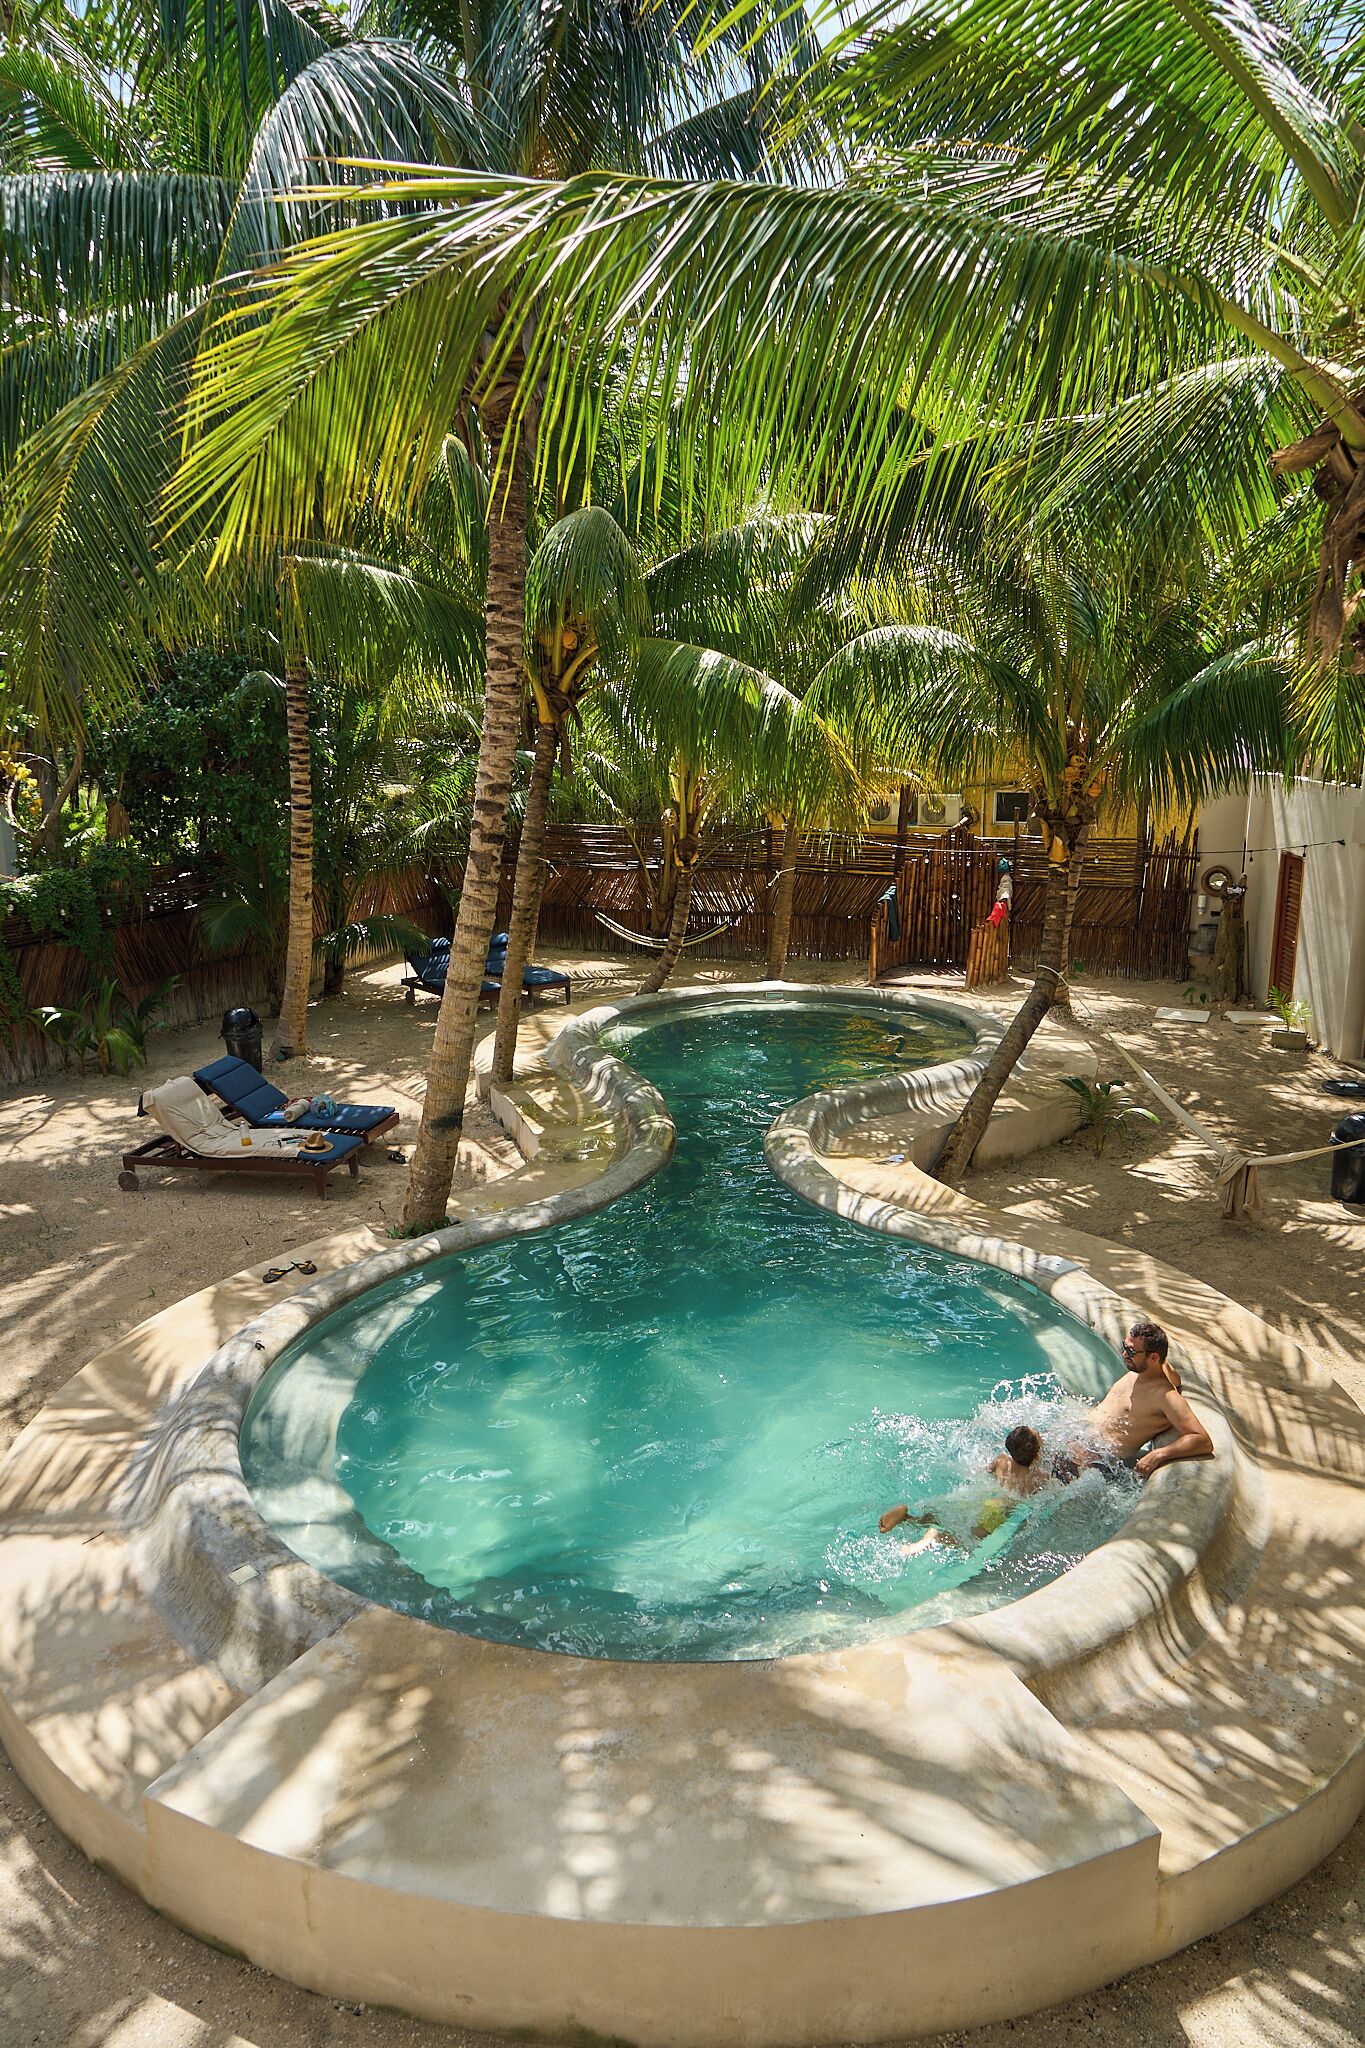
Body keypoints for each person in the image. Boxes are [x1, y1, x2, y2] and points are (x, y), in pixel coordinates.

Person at [1063, 1319, 1213, 1478]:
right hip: (1076, 1436)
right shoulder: (1139, 1372)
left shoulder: (1164, 1395)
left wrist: (1159, 1454)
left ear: (1153, 1358)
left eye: (1131, 1351)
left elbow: (1203, 1440)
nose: (1124, 1354)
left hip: (1096, 1460)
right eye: (1125, 1347)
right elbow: (1174, 1375)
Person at [879, 1424, 1047, 1548]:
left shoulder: (1002, 1459)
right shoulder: (1037, 1477)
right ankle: (931, 1539)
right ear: (1037, 1454)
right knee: (967, 1542)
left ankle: (907, 1517)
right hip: (998, 1510)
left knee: (937, 1517)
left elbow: (984, 1472)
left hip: (979, 1496)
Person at [987, 857, 1013, 929]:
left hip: (1003, 908)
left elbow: (1005, 891)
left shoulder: (1006, 879)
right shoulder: (1004, 878)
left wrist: (1002, 901)